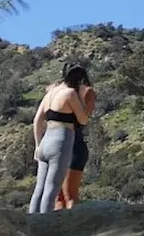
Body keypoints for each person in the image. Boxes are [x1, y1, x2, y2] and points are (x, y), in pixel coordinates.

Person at [28, 65, 90, 214]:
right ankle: (45, 227)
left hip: (45, 141)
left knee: (39, 189)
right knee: (52, 188)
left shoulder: (50, 93)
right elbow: (83, 120)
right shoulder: (69, 93)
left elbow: (37, 120)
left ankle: (31, 225)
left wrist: (37, 145)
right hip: (61, 141)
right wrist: (82, 99)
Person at [55, 65, 96, 210]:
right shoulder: (88, 92)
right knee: (69, 195)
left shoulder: (56, 92)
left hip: (56, 142)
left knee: (59, 196)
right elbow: (85, 118)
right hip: (74, 142)